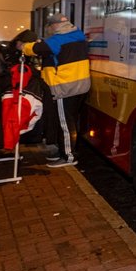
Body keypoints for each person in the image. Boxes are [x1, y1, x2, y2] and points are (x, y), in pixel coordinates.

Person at [21, 14, 89, 167]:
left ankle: (69, 157)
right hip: (80, 86)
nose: (50, 30)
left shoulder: (57, 39)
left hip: (65, 87)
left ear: (55, 25)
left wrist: (23, 46)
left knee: (65, 123)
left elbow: (36, 49)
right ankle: (64, 151)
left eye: (50, 27)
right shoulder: (78, 36)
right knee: (69, 120)